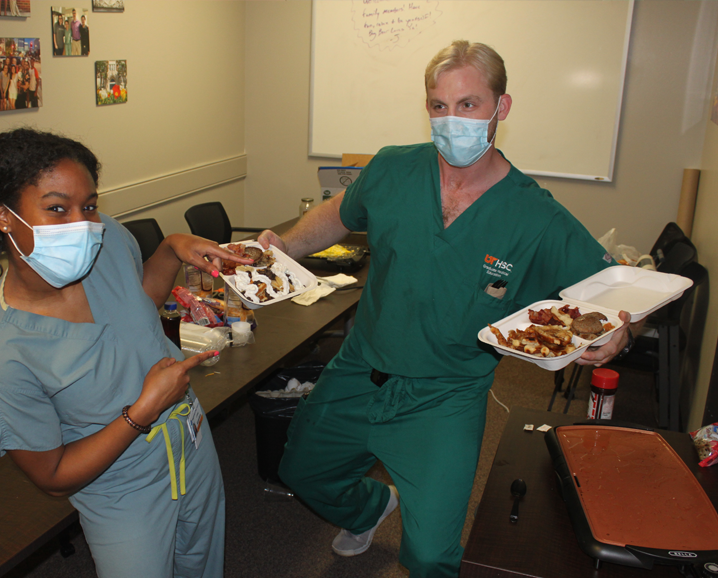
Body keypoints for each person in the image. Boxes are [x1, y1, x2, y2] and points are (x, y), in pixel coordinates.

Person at [256, 40, 635, 578]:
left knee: (431, 557)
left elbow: (615, 290)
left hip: (445, 395)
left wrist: (621, 330)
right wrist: (283, 246)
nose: (451, 120)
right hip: (359, 370)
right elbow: (340, 214)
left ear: (500, 109)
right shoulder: (393, 168)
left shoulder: (534, 215)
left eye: (468, 105)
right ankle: (369, 508)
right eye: (439, 106)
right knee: (301, 471)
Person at [0, 128, 249, 578]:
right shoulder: (0, 358)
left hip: (190, 442)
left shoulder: (106, 239)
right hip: (122, 488)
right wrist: (144, 410)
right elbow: (54, 477)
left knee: (202, 564)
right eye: (57, 209)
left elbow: (138, 302)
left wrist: (171, 248)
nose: (82, 224)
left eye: (89, 205)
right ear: (4, 216)